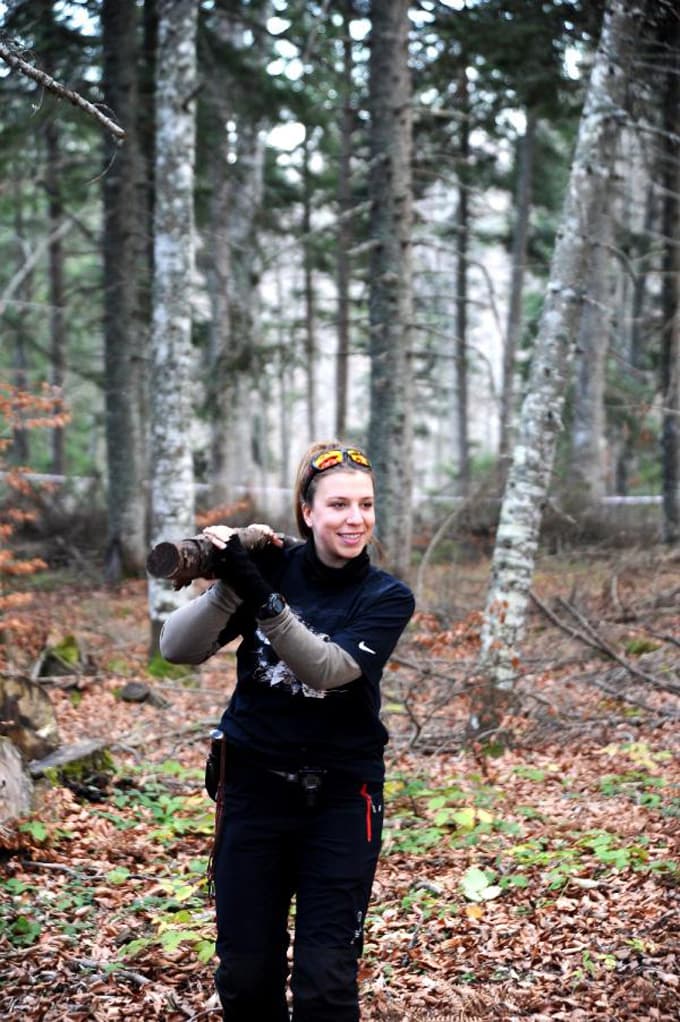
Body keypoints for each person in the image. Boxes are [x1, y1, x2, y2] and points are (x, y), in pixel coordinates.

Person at [160, 441, 415, 1022]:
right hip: (253, 789)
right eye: (339, 505)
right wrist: (232, 581)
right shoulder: (270, 567)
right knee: (247, 977)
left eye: (366, 505)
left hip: (342, 798)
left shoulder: (386, 597)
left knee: (325, 982)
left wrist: (263, 596)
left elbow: (328, 669)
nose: (355, 519)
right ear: (308, 512)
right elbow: (178, 648)